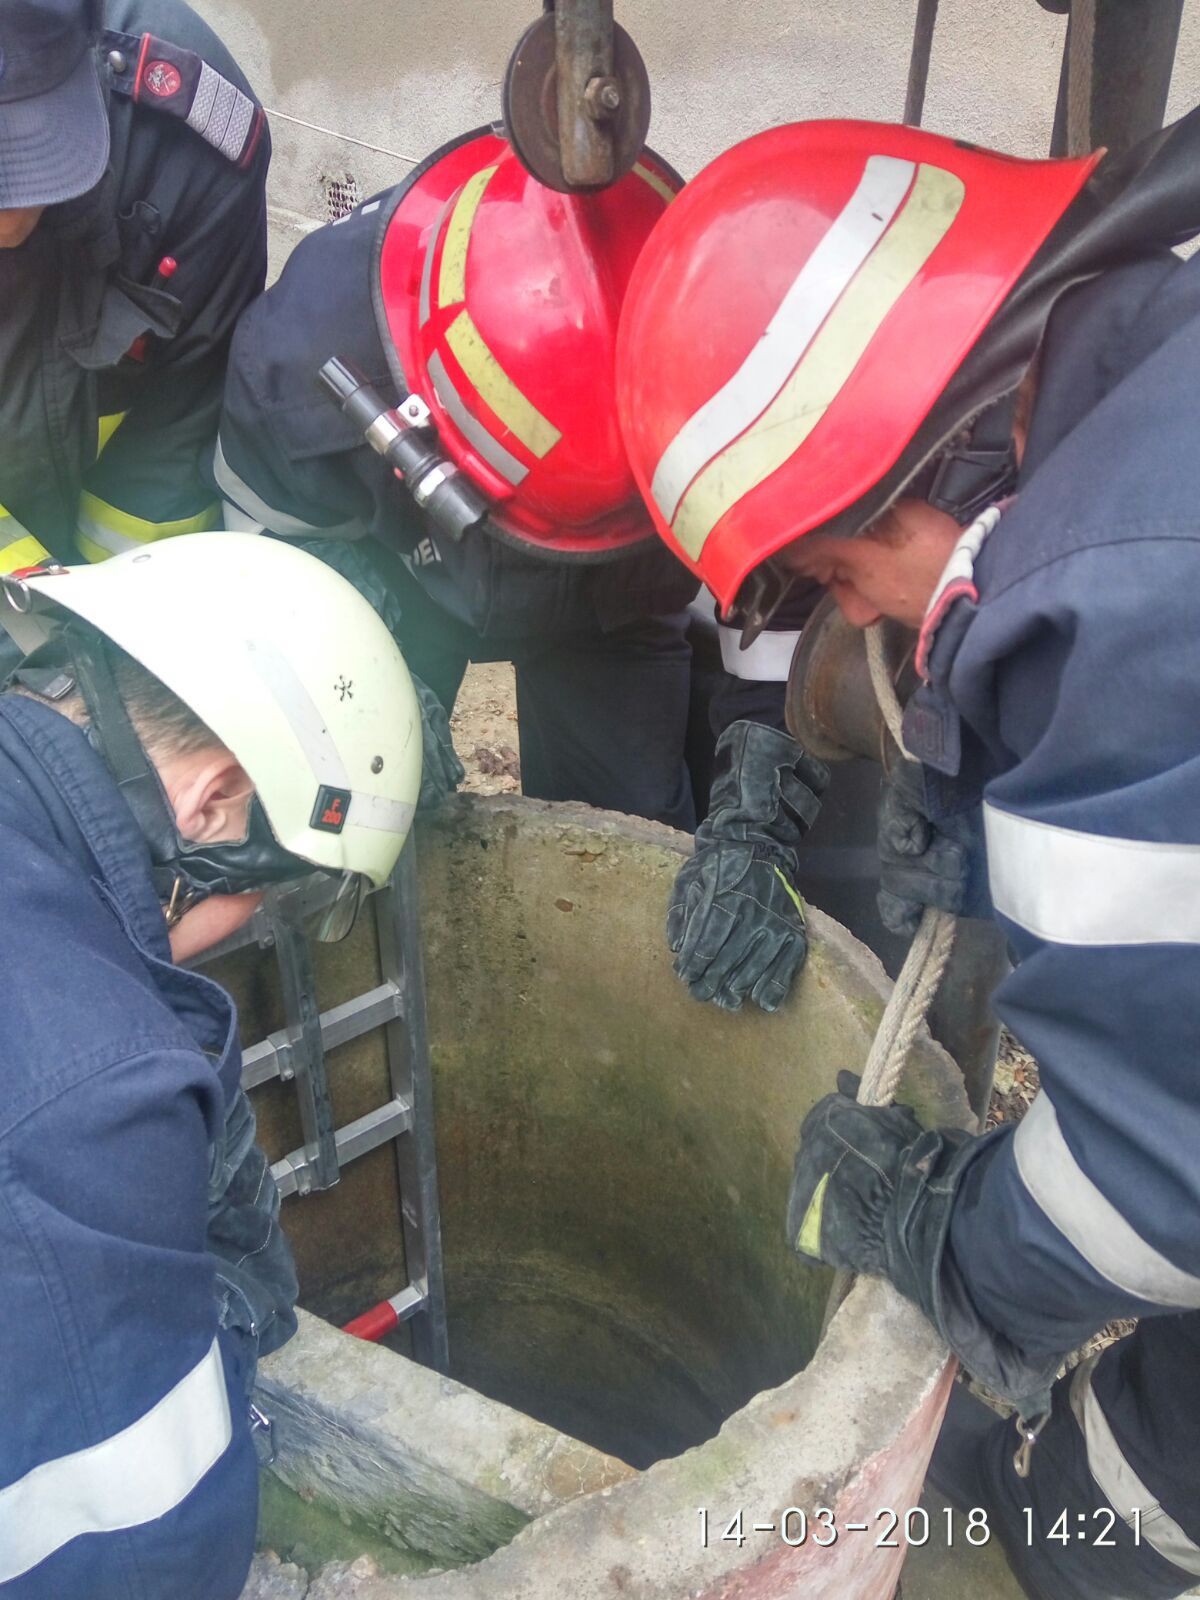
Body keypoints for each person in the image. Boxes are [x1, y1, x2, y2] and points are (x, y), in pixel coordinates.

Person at [616, 113, 1200, 1599]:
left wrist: (945, 1232)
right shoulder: (1142, 396)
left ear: (944, 450)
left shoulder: (1118, 615)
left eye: (837, 571)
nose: (856, 613)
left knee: (1152, 1486)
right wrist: (847, 795)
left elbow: (1159, 1181)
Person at [0, 534, 422, 1598]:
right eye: (268, 890)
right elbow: (139, 1554)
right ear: (213, 799)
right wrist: (211, 1323)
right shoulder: (90, 1106)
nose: (249, 920)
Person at [212, 126, 703, 832]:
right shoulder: (296, 364)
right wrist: (363, 660)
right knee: (362, 819)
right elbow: (263, 550)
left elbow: (784, 607)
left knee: (638, 834)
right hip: (401, 578)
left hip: (612, 593)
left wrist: (760, 809)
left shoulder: (725, 353)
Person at [0, 0, 269, 575]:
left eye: (27, 158)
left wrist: (108, 611)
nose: (6, 223)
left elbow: (176, 426)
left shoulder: (187, 147)